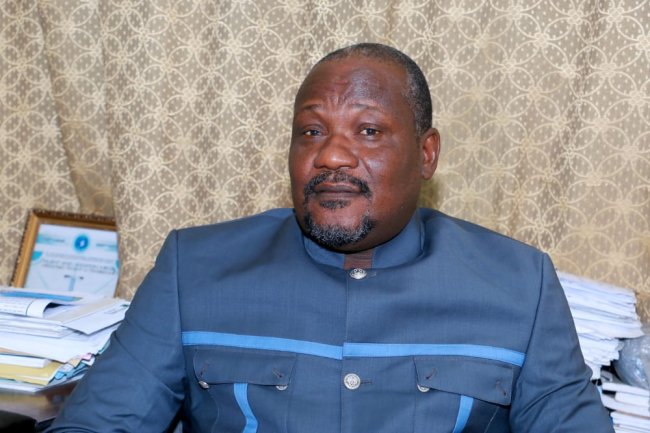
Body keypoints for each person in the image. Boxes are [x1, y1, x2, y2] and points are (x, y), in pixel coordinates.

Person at [47, 43, 614, 433]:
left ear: (426, 154)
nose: (332, 155)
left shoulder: (519, 284)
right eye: (311, 131)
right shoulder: (194, 269)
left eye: (368, 131)